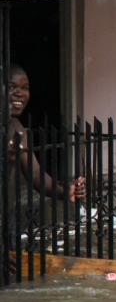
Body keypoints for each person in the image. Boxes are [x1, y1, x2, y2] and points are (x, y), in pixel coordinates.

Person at [6, 63, 86, 203]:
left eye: (25, 88)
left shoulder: (16, 128)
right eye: (12, 87)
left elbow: (36, 175)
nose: (20, 93)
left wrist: (66, 191)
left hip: (8, 214)